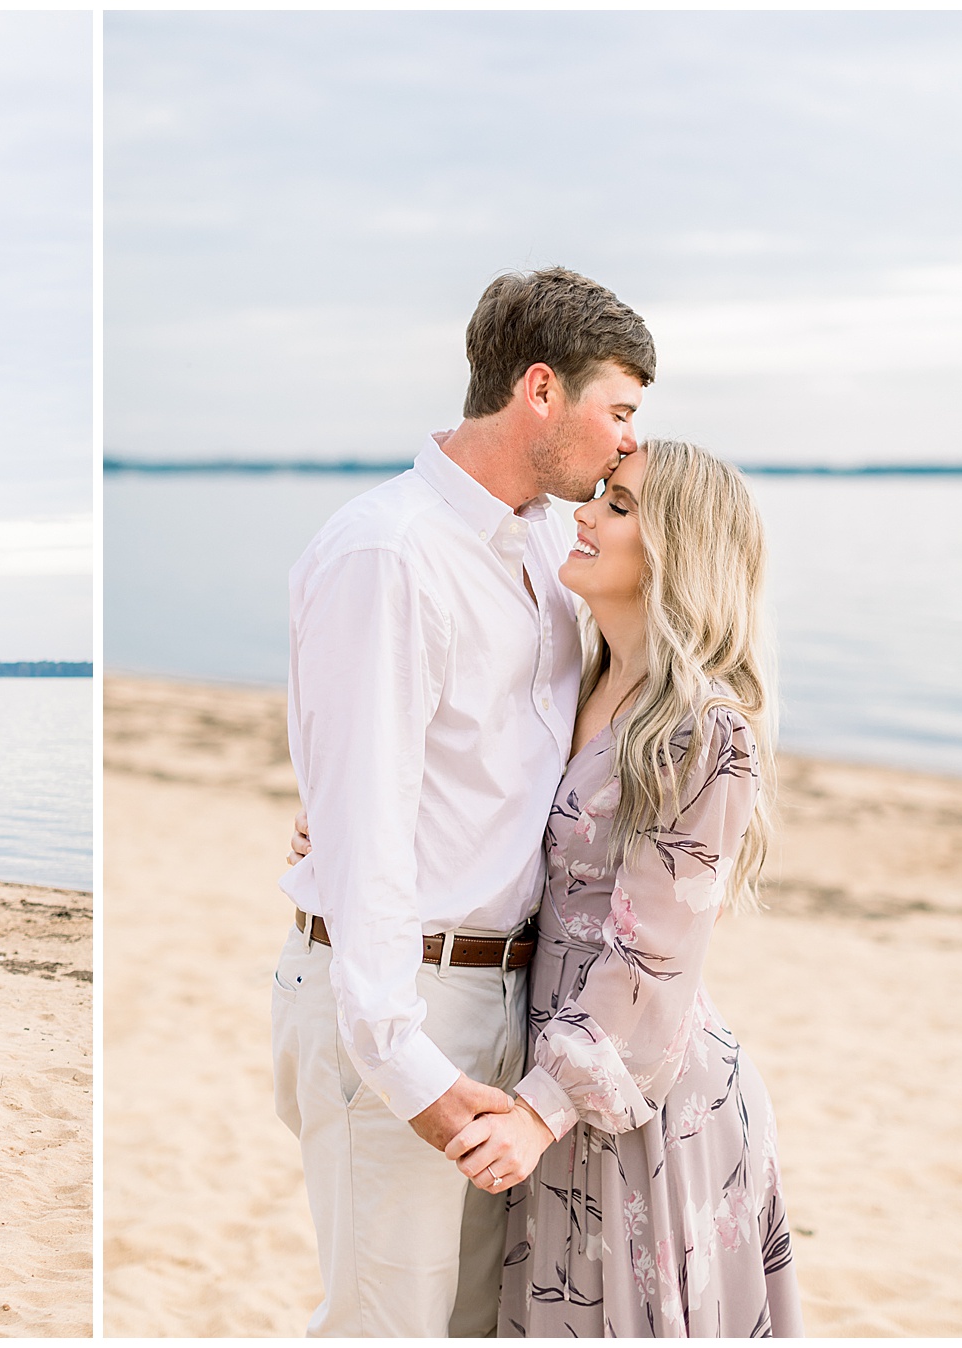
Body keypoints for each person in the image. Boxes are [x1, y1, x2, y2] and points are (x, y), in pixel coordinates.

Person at [293, 441, 802, 1336]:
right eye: (601, 495)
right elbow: (475, 801)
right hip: (538, 1064)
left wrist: (544, 1108)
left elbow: (654, 956)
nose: (587, 514)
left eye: (621, 506)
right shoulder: (582, 682)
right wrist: (342, 824)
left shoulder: (704, 730)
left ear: (681, 548)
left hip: (633, 1093)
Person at [274, 267, 655, 1336]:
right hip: (409, 999)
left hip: (511, 1001)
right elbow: (374, 827)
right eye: (618, 411)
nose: (627, 443)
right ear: (541, 390)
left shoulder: (548, 541)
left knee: (481, 1325)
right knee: (383, 1327)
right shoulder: (389, 554)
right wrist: (407, 1064)